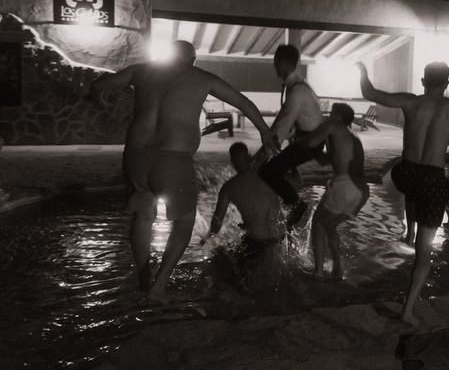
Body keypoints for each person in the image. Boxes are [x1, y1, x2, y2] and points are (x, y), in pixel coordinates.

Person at [89, 40, 278, 304]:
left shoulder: (141, 70)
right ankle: (159, 286)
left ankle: (144, 278)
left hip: (136, 155)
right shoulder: (201, 77)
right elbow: (243, 102)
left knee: (143, 214)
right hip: (173, 158)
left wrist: (100, 101)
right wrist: (265, 131)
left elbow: (98, 85)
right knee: (185, 219)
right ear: (191, 59)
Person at [356, 59, 449, 325]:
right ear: (447, 84)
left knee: (412, 186)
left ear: (424, 82)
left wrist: (362, 71)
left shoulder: (411, 101)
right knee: (424, 252)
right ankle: (407, 311)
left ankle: (409, 229)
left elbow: (369, 93)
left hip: (405, 174)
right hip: (432, 179)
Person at [296, 103, 369, 280]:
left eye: (332, 112)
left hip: (346, 184)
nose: (329, 114)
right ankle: (338, 268)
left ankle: (319, 273)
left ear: (338, 116)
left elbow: (310, 141)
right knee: (329, 225)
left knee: (318, 223)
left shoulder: (333, 126)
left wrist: (297, 137)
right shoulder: (350, 137)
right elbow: (324, 160)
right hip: (361, 190)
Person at [258, 44, 324, 230]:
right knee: (272, 168)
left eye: (275, 63)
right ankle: (283, 205)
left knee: (267, 171)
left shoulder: (297, 91)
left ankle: (297, 206)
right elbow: (282, 119)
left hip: (310, 142)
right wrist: (267, 144)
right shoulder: (295, 86)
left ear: (282, 63)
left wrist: (267, 150)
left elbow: (285, 124)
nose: (275, 67)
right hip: (305, 139)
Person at [207, 142, 286, 291]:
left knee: (224, 263)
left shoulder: (229, 187)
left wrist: (206, 238)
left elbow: (216, 224)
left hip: (257, 242)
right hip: (281, 236)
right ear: (249, 156)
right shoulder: (267, 174)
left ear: (232, 162)